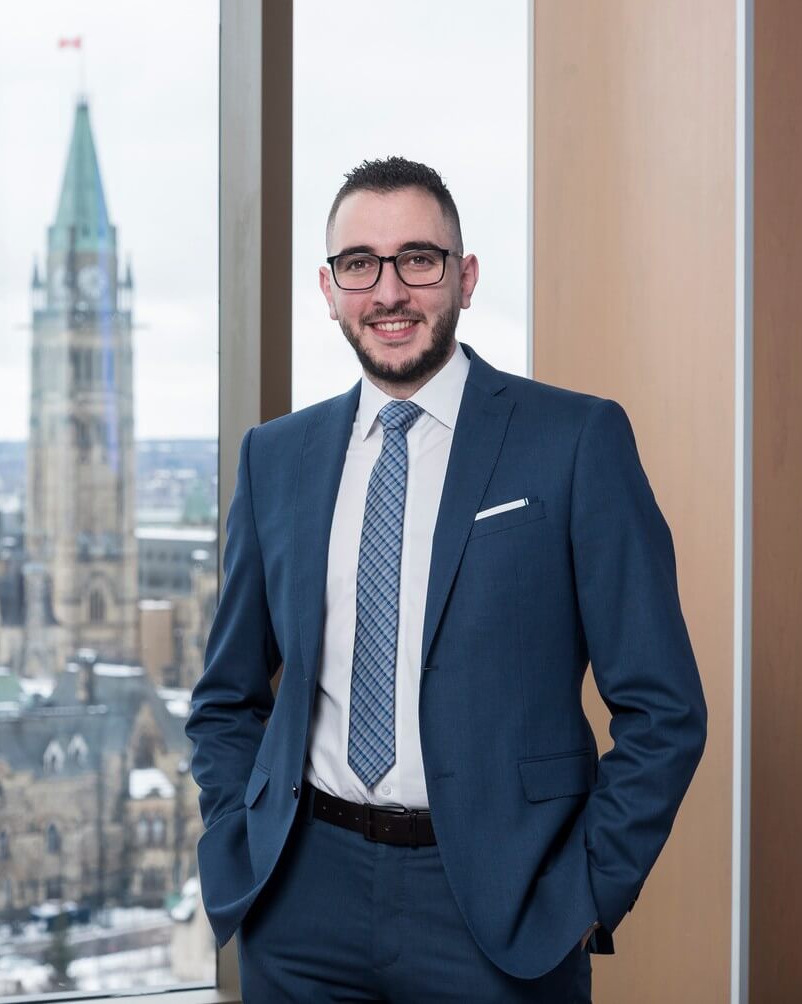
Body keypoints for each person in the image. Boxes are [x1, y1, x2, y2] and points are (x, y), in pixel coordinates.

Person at [186, 156, 707, 1002]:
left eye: (418, 260)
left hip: (501, 909)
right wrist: (237, 835)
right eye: (360, 264)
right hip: (301, 903)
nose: (389, 291)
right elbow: (226, 695)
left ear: (463, 277)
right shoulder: (275, 457)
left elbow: (664, 708)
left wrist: (586, 893)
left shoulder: (575, 440)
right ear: (329, 289)